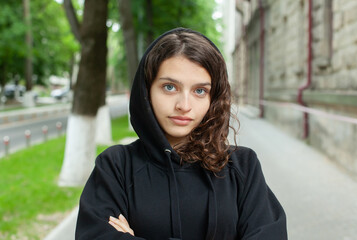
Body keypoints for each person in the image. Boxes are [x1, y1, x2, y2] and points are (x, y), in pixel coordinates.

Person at [75, 27, 287, 240]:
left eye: (199, 91)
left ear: (214, 98)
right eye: (169, 87)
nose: (184, 105)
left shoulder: (242, 167)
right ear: (146, 90)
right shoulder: (116, 167)